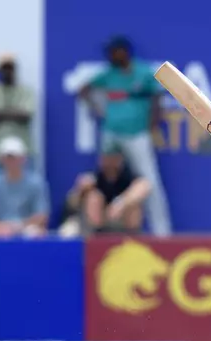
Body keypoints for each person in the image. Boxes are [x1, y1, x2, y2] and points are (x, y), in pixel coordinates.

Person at [79, 35, 172, 236]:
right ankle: (97, 229)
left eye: (114, 51)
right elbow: (84, 89)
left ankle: (162, 233)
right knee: (102, 180)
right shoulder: (108, 74)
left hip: (137, 134)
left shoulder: (143, 72)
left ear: (124, 51)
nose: (110, 55)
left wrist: (152, 123)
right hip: (111, 133)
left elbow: (157, 96)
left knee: (149, 182)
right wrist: (100, 110)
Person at [61, 144, 151, 235]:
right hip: (97, 224)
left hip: (122, 221)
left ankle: (132, 238)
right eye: (106, 159)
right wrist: (79, 190)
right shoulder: (95, 177)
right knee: (94, 198)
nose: (109, 163)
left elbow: (144, 186)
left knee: (134, 207)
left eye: (113, 159)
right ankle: (97, 239)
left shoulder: (127, 176)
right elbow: (71, 204)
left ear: (120, 160)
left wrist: (120, 204)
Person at [0, 54, 35, 181]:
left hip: (23, 154)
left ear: (15, 70)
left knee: (28, 193)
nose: (7, 72)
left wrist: (0, 113)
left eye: (10, 68)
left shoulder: (26, 92)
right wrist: (13, 112)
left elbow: (26, 115)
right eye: (4, 69)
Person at [0, 136, 48, 237]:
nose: (11, 161)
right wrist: (0, 229)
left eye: (14, 157)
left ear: (23, 159)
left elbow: (41, 215)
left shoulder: (36, 183)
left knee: (39, 233)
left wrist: (20, 227)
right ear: (1, 159)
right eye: (8, 157)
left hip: (28, 232)